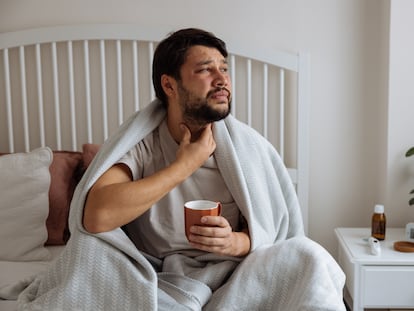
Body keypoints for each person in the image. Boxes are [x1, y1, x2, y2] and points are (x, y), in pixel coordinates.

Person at [18, 28, 346, 311]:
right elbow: (96, 217)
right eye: (206, 70)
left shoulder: (249, 149)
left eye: (224, 69)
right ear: (170, 86)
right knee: (88, 249)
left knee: (309, 256)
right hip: (151, 276)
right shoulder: (142, 144)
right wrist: (183, 165)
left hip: (234, 277)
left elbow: (275, 231)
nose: (222, 80)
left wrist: (236, 243)